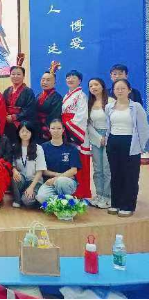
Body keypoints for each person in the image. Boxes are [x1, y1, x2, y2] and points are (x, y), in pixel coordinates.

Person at [105, 79, 149, 218]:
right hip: (113, 142)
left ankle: (128, 205)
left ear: (129, 90)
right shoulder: (109, 107)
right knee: (115, 174)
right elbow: (108, 126)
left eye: (123, 88)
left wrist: (141, 146)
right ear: (113, 91)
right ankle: (116, 203)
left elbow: (144, 128)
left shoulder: (136, 107)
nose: (120, 91)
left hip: (130, 143)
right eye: (117, 88)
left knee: (130, 175)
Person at [37, 119, 82, 204]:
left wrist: (57, 178)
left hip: (67, 181)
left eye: (59, 128)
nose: (56, 131)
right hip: (49, 182)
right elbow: (43, 170)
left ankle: (64, 201)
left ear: (63, 130)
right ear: (49, 130)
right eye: (53, 128)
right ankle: (68, 201)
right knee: (41, 197)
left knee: (61, 181)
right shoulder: (43, 147)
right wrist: (56, 176)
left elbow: (73, 170)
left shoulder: (72, 148)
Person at [61, 70, 91, 199]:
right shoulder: (66, 96)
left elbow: (82, 116)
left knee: (80, 161)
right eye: (68, 77)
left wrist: (68, 126)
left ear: (80, 81)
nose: (70, 79)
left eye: (73, 77)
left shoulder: (81, 96)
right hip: (67, 130)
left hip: (76, 132)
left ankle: (81, 192)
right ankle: (69, 190)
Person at [87, 78, 114, 209]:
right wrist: (98, 137)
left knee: (107, 169)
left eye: (96, 84)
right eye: (91, 86)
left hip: (110, 136)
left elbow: (114, 121)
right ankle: (99, 195)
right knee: (97, 169)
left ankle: (108, 197)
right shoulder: (89, 103)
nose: (93, 87)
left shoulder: (111, 101)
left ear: (102, 86)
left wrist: (106, 136)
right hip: (95, 138)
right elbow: (88, 124)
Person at [11, 122, 46, 209]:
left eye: (27, 131)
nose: (25, 134)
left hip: (34, 181)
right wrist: (14, 170)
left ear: (32, 133)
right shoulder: (15, 147)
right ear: (18, 133)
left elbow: (40, 171)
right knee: (14, 178)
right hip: (22, 179)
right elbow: (12, 164)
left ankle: (30, 195)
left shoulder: (38, 148)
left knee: (27, 201)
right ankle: (17, 200)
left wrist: (31, 187)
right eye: (22, 131)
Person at [3, 55, 36, 144]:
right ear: (10, 75)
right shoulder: (7, 91)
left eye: (18, 74)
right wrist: (6, 116)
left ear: (23, 76)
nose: (15, 76)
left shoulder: (28, 92)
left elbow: (29, 110)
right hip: (7, 123)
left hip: (22, 124)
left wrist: (15, 117)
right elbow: (2, 106)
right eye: (13, 74)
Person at [36, 62, 63, 144]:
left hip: (48, 131)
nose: (44, 82)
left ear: (54, 83)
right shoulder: (38, 96)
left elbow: (55, 115)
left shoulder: (57, 97)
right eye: (43, 80)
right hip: (36, 129)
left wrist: (46, 130)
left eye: (48, 80)